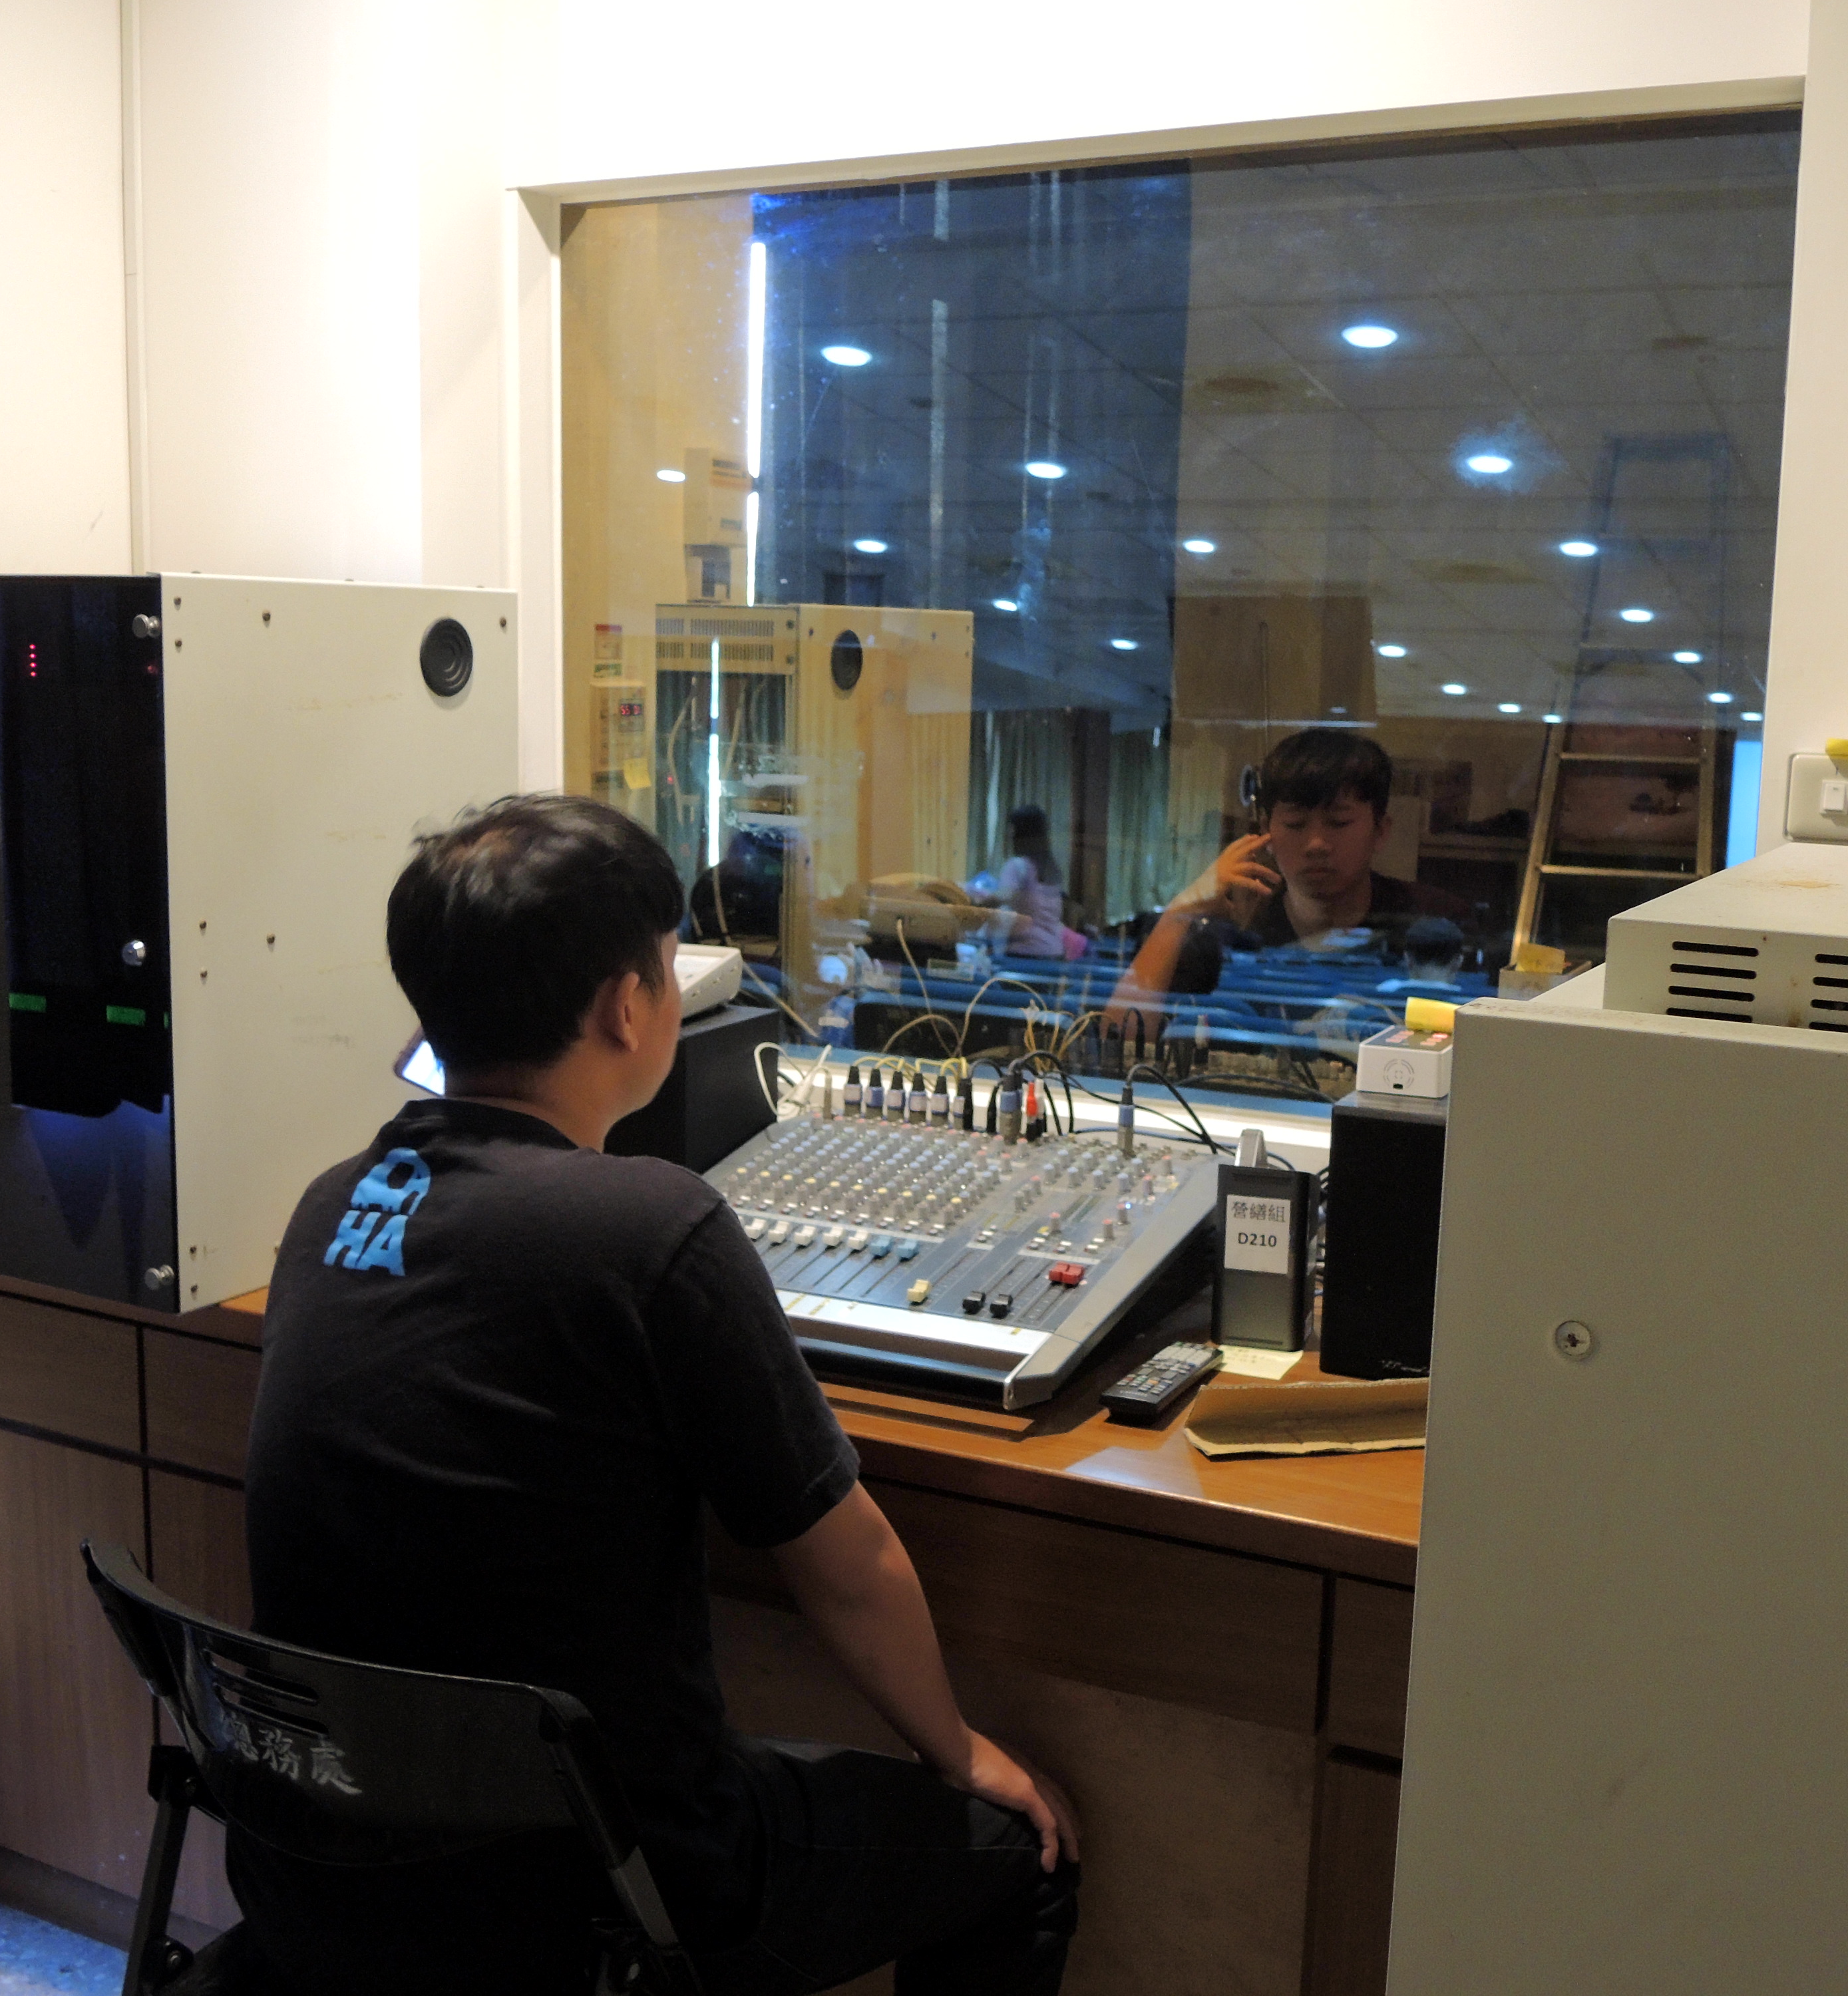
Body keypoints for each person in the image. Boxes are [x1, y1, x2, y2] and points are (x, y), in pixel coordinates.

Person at [238, 794, 1081, 1995]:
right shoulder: (649, 1228)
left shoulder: (331, 1205)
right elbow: (846, 1564)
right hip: (599, 1888)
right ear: (627, 1007)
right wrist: (959, 1751)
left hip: (326, 1860)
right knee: (1019, 1848)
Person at [1111, 727, 1468, 1013]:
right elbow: (1122, 1036)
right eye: (1296, 824)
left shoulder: (1436, 924)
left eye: (1339, 822)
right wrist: (1181, 911)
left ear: (1381, 831)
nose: (1316, 844)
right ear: (1266, 830)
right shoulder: (1238, 931)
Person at [982, 804, 1077, 959]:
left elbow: (1003, 896)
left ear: (1017, 833)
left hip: (1025, 952)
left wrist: (975, 904)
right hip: (1054, 953)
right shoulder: (1050, 869)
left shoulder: (1018, 866)